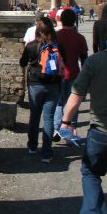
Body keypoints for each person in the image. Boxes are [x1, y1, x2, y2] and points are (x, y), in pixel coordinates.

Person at [60, 13, 107, 214]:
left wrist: (66, 122)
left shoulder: (96, 62)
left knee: (91, 174)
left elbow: (76, 96)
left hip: (101, 131)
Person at [20, 17, 66, 162]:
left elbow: (22, 62)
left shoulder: (32, 46)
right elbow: (64, 63)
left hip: (35, 84)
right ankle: (46, 153)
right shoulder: (59, 45)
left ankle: (32, 146)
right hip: (54, 85)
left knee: (34, 116)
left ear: (37, 30)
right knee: (48, 119)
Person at [53, 8, 88, 141]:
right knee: (73, 102)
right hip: (74, 73)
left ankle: (57, 129)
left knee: (59, 102)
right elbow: (84, 58)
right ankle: (71, 130)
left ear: (61, 20)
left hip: (58, 74)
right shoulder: (80, 38)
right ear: (74, 21)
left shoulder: (56, 36)